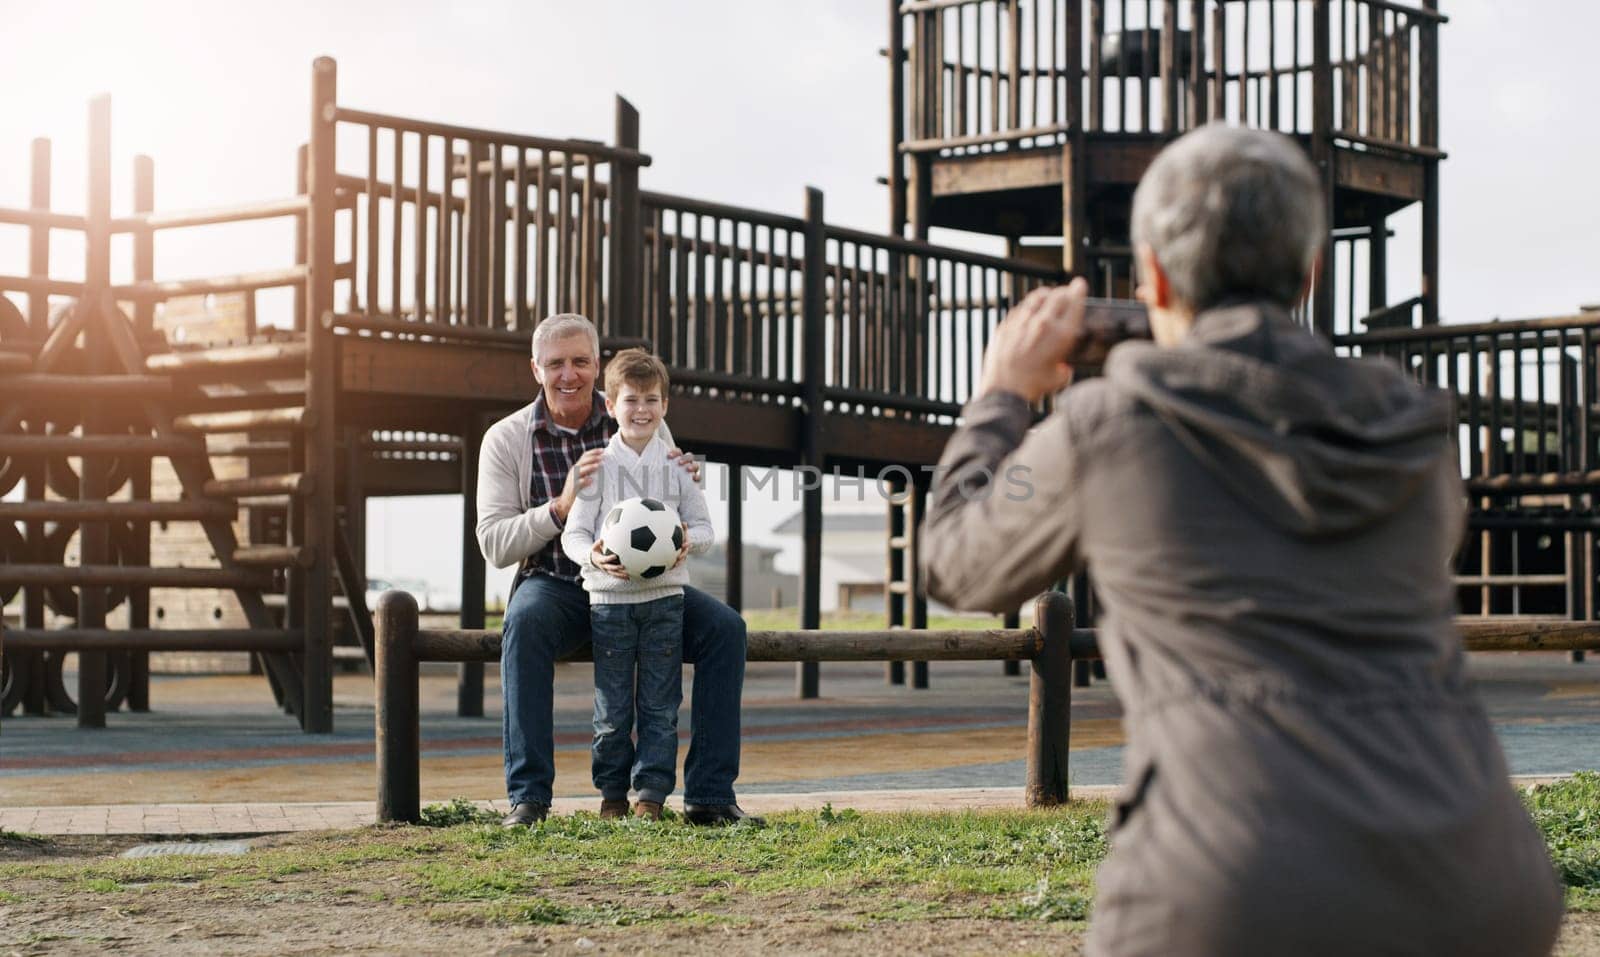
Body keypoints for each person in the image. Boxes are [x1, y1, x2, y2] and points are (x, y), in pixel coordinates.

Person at [920, 125, 1562, 956]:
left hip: (1227, 884)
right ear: (1310, 271)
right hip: (1476, 872)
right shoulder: (1412, 431)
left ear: (1151, 273)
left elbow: (954, 560)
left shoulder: (1112, 427)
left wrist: (1002, 396)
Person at [476, 313, 761, 828]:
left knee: (726, 630)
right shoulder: (506, 438)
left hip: (646, 586)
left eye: (581, 362)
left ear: (598, 367)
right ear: (535, 370)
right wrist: (560, 507)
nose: (569, 375)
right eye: (556, 364)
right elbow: (494, 544)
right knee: (523, 624)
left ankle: (710, 797)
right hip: (557, 583)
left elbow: (679, 496)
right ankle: (529, 797)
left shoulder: (634, 411)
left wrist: (688, 489)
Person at [561, 349, 715, 821]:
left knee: (660, 704)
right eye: (631, 400)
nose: (641, 409)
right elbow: (574, 533)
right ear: (610, 406)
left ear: (665, 406)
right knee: (611, 711)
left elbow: (706, 530)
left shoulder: (677, 467)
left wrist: (689, 542)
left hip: (666, 601)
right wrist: (594, 556)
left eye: (652, 399)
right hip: (609, 604)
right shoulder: (597, 467)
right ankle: (611, 795)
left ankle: (650, 795)